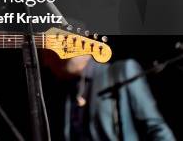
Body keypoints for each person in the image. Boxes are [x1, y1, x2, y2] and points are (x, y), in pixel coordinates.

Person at [41, 52, 175, 140]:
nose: (46, 62)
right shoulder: (61, 91)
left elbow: (157, 129)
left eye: (49, 53)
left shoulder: (122, 71)